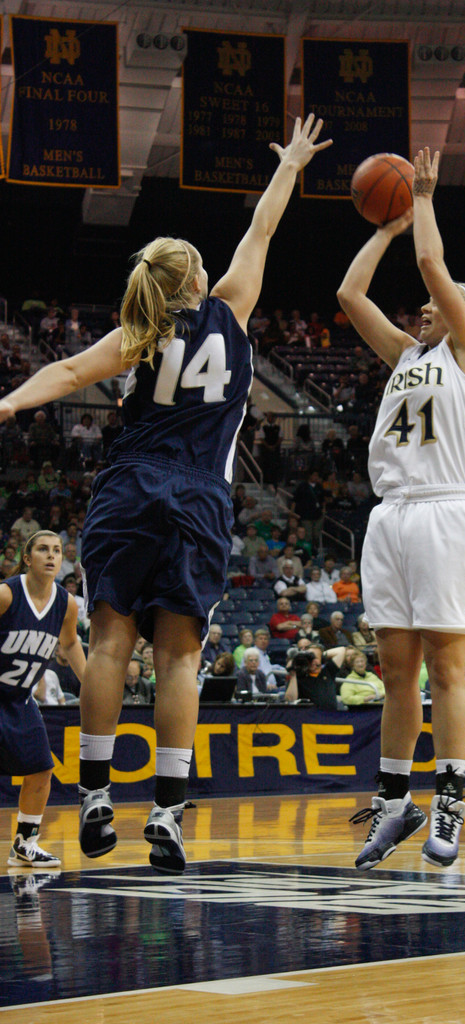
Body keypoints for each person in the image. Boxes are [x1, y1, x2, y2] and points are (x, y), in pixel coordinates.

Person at [0, 115, 330, 876]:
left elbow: (67, 373)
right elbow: (263, 228)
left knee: (110, 639)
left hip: (130, 486)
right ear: (198, 280)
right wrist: (289, 165)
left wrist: (12, 402)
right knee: (180, 657)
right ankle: (169, 813)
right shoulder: (231, 310)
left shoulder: (141, 330)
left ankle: (94, 795)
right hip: (199, 493)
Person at [337, 147, 465, 870]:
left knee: (445, 666)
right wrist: (385, 228)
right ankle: (395, 801)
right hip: (391, 515)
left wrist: (425, 200)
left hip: (446, 512)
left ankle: (451, 799)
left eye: (443, 302)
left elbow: (434, 266)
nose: (427, 304)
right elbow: (350, 295)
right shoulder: (407, 354)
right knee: (395, 671)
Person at [2, 531, 86, 867]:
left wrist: (91, 684)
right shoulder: (6, 594)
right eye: (42, 549)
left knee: (41, 769)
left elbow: (71, 643)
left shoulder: (67, 603)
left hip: (20, 699)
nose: (51, 555)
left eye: (56, 550)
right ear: (27, 558)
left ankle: (25, 843)